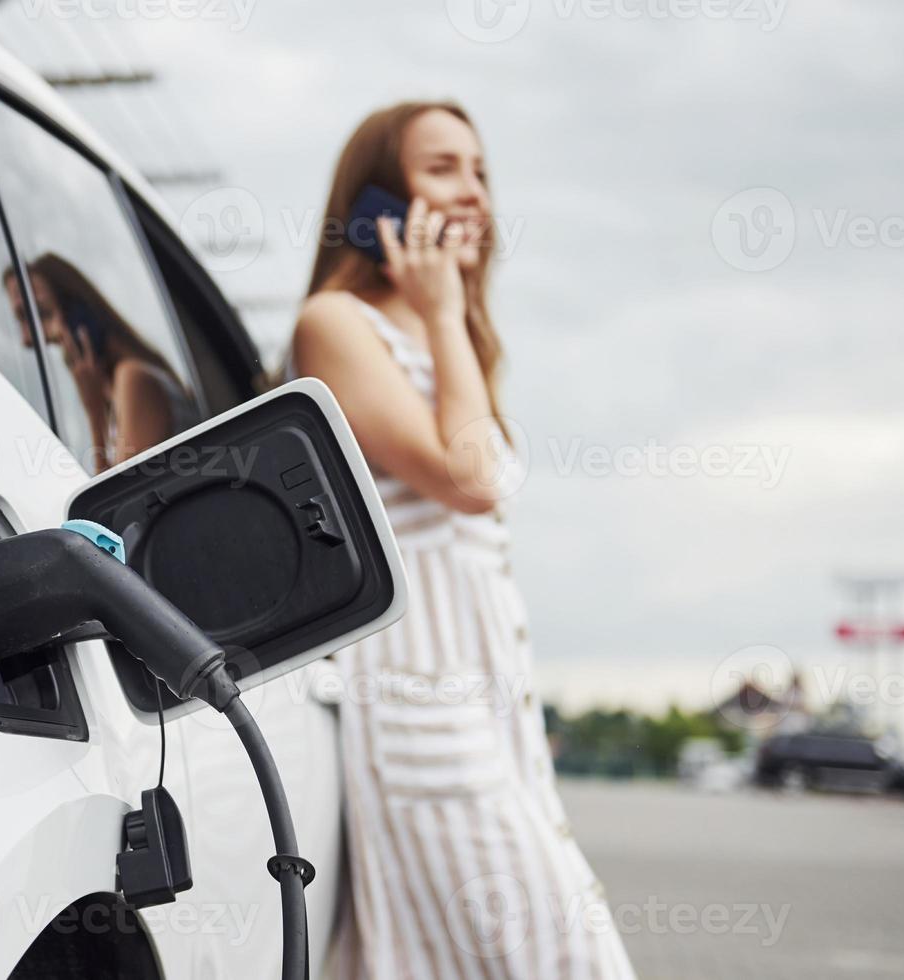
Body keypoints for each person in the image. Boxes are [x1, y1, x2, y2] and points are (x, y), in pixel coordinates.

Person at [288, 101, 637, 980]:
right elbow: (472, 479)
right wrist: (445, 316)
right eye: (443, 167)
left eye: (480, 170)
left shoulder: (456, 338)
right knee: (566, 957)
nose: (473, 191)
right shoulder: (338, 323)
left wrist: (451, 323)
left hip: (489, 701)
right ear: (376, 199)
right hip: (421, 699)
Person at [6, 253, 196, 472]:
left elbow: (117, 500)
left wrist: (94, 414)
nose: (27, 339)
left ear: (80, 315)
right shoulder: (123, 386)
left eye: (40, 313)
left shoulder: (134, 377)